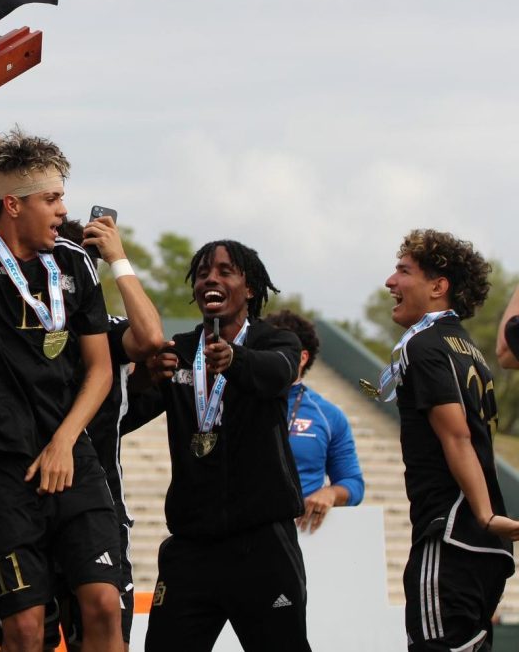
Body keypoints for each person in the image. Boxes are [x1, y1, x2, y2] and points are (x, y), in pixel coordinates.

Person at [0, 57, 125, 652]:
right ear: (14, 205)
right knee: (25, 627)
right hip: (7, 468)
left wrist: (66, 441)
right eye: (53, 198)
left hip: (75, 459)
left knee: (104, 606)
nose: (64, 210)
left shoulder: (75, 264)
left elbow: (100, 369)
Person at [126, 240, 307, 652]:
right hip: (191, 548)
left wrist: (236, 360)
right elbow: (125, 417)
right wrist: (142, 379)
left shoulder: (275, 342)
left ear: (249, 288)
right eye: (204, 272)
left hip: (261, 544)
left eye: (226, 271)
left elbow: (277, 374)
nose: (212, 278)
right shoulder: (179, 352)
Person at [382, 230, 518, 651]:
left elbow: (456, 435)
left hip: (451, 536)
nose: (390, 281)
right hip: (483, 552)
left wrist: (484, 514)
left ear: (439, 287)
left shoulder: (423, 345)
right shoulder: (470, 349)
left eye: (404, 271)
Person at [54, 217, 164, 652]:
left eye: (75, 262)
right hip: (23, 500)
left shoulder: (104, 327)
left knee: (106, 634)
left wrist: (118, 257)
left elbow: (151, 337)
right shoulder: (12, 325)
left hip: (97, 503)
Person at [263, 309, 364, 534]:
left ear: (302, 357)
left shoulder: (328, 415)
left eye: (280, 350)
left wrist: (330, 493)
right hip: (243, 534)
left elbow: (353, 483)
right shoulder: (236, 402)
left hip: (301, 535)